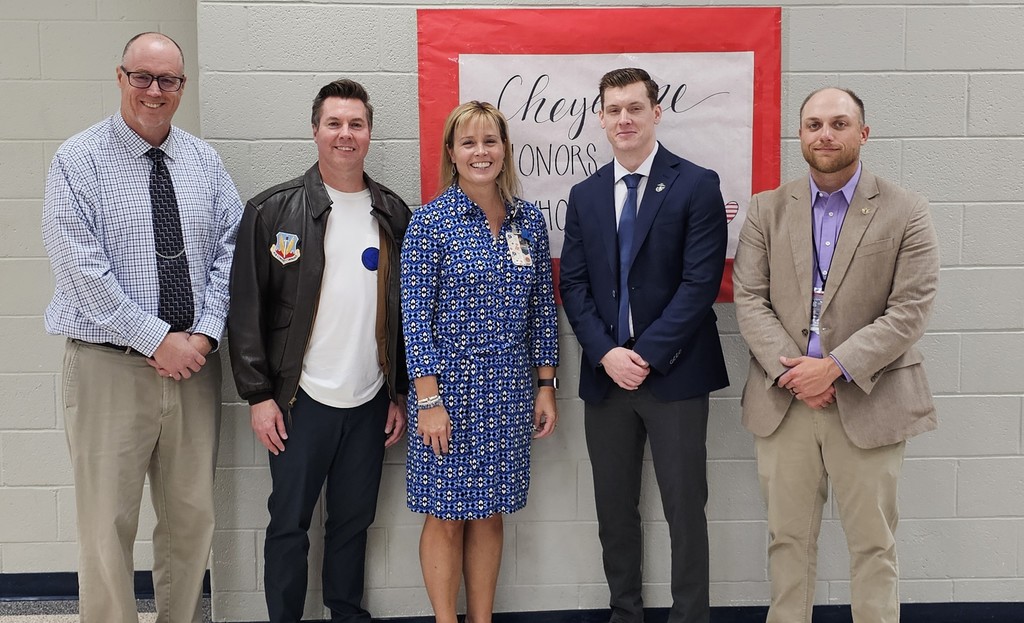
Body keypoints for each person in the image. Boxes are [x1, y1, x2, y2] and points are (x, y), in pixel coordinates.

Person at [41, 32, 242, 623]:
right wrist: (157, 339)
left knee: (191, 518)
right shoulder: (78, 160)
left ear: (182, 87)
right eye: (143, 78)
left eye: (169, 81)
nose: (155, 91)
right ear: (121, 77)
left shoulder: (203, 161)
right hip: (108, 363)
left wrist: (202, 335)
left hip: (195, 368)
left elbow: (232, 251)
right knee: (106, 522)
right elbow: (80, 267)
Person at [732, 87, 939, 623]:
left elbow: (910, 309)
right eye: (814, 124)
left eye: (839, 124)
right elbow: (750, 299)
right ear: (800, 134)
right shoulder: (767, 209)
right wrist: (799, 374)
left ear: (862, 134)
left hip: (869, 400)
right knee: (787, 541)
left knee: (873, 544)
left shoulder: (906, 210)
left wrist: (836, 366)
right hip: (787, 402)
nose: (826, 134)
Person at [227, 78, 410, 623]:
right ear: (315, 131)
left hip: (370, 400)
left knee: (353, 523)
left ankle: (345, 612)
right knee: (288, 523)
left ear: (370, 133)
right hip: (298, 403)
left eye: (356, 124)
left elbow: (406, 317)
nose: (345, 135)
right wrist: (259, 396)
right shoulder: (271, 211)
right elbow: (246, 312)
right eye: (334, 123)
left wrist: (398, 392)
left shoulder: (393, 214)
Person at [559, 68, 729, 623]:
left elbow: (700, 284)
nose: (624, 119)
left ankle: (690, 616)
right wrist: (607, 353)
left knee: (685, 508)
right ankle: (625, 612)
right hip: (605, 378)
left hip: (675, 375)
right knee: (614, 509)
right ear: (601, 118)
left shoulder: (697, 184)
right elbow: (574, 285)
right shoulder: (584, 195)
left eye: (635, 108)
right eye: (614, 110)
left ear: (657, 113)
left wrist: (646, 355)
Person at [400, 100, 559, 623]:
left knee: (490, 513)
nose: (481, 152)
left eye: (490, 141)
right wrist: (427, 399)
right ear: (451, 152)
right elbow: (415, 318)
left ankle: (482, 619)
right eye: (468, 142)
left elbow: (541, 309)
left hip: (510, 389)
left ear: (505, 149)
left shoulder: (529, 222)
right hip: (448, 392)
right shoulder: (430, 223)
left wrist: (545, 383)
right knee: (445, 517)